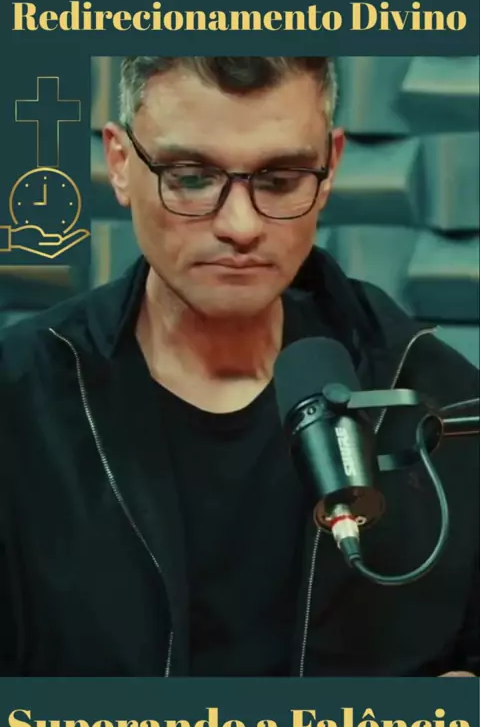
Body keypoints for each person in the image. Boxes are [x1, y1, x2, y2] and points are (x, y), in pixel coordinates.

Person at [0, 57, 478, 678]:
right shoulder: (21, 396)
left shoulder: (434, 395)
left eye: (279, 180)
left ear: (330, 168)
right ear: (119, 162)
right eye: (191, 178)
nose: (240, 226)